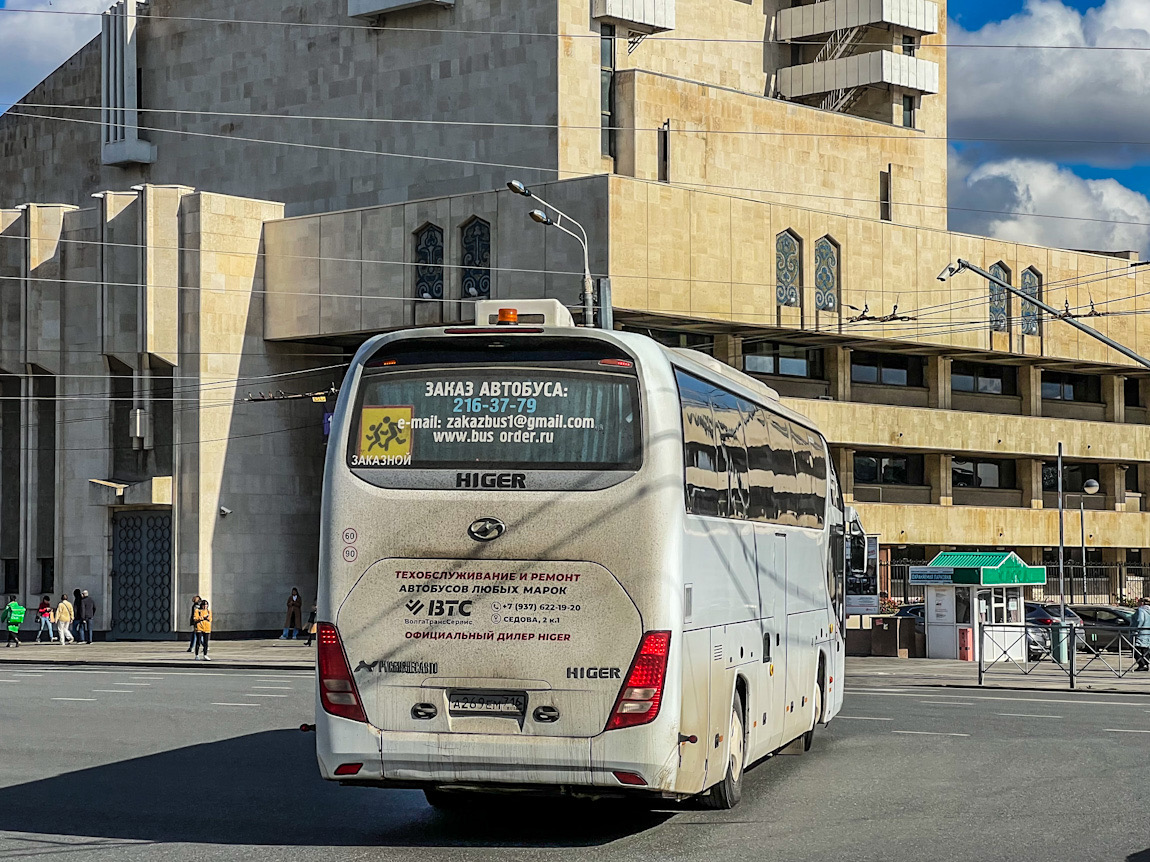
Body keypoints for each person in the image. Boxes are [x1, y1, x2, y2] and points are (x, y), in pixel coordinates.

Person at [1133, 597, 1150, 672]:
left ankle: (1142, 664)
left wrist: (1136, 629)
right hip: (1148, 633)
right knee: (1145, 649)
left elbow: (1140, 620)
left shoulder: (1141, 610)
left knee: (1136, 649)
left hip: (1141, 632)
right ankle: (1146, 663)